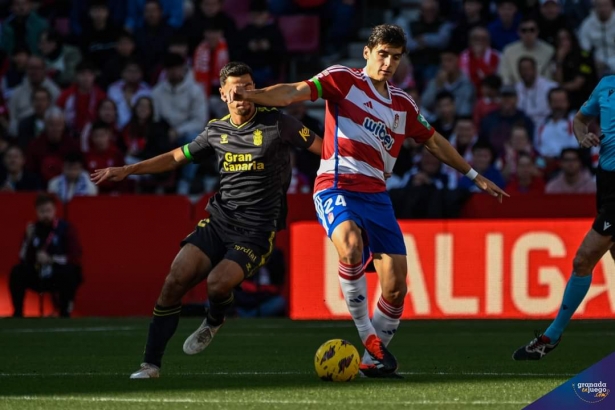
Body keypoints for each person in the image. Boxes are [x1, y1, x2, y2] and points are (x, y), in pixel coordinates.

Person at [224, 24, 508, 377]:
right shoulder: (343, 80)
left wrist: (473, 174)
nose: (388, 62)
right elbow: (293, 92)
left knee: (396, 285)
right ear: (367, 53)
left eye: (396, 57)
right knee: (350, 244)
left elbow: (433, 141)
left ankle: (372, 360)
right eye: (383, 54)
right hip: (336, 185)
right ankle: (367, 337)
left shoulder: (403, 104)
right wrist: (254, 95)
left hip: (376, 196)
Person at [90, 62, 322, 378]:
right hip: (219, 221)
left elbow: (326, 148)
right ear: (223, 94)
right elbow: (174, 158)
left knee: (217, 284)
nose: (244, 94)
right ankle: (150, 364)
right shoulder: (216, 130)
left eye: (249, 86)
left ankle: (214, 320)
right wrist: (128, 170)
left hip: (257, 230)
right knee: (174, 280)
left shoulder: (279, 123)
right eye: (237, 89)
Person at [512, 74, 614, 360]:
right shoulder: (606, 85)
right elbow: (580, 120)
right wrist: (583, 136)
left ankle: (551, 336)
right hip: (605, 182)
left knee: (583, 259)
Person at [9, 194, 83, 317]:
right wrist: (28, 239)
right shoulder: (32, 229)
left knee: (71, 272)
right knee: (17, 272)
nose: (45, 215)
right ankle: (18, 312)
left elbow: (74, 256)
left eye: (48, 211)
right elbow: (22, 257)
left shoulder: (64, 228)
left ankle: (64, 312)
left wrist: (51, 259)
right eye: (42, 211)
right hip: (37, 272)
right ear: (36, 212)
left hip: (57, 271)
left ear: (54, 210)